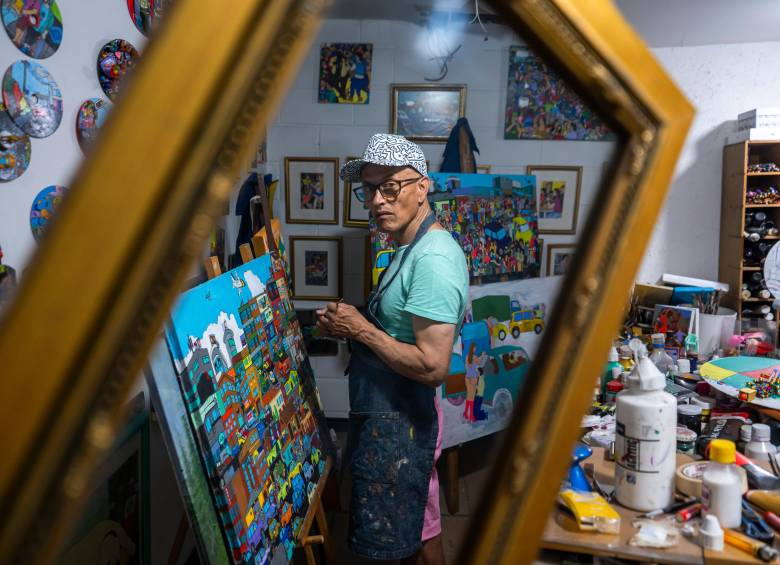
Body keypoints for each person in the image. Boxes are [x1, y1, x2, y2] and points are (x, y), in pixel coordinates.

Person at [315, 134, 468, 564]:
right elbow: (400, 326)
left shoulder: (433, 259)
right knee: (422, 528)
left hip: (404, 427)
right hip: (394, 418)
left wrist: (362, 330)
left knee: (400, 539)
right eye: (369, 189)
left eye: (390, 187)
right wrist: (352, 322)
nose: (378, 200)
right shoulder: (407, 247)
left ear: (423, 187)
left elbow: (432, 365)